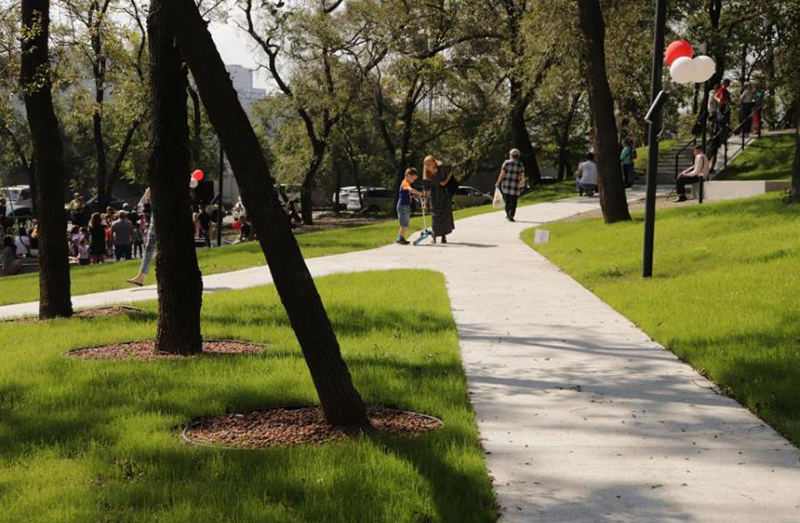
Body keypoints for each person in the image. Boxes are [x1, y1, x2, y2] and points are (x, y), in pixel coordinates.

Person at [422, 155, 455, 243]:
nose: (427, 166)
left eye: (429, 164)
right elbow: (426, 190)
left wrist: (445, 182)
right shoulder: (427, 175)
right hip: (434, 196)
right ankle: (434, 237)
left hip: (444, 194)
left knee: (444, 216)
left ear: (434, 163)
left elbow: (451, 170)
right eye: (426, 164)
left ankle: (443, 237)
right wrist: (425, 203)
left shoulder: (441, 168)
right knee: (435, 216)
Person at [127, 189, 155, 286]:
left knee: (149, 249)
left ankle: (141, 277)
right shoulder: (149, 202)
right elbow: (140, 205)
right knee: (148, 249)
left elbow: (140, 206)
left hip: (156, 224)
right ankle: (141, 277)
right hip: (154, 223)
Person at [495, 148, 526, 222]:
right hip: (515, 186)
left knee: (507, 201)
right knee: (514, 201)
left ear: (511, 155)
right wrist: (522, 183)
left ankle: (508, 214)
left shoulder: (506, 163)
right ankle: (511, 214)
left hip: (506, 185)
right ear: (517, 156)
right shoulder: (520, 164)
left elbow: (502, 174)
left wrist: (498, 182)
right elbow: (522, 176)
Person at [396, 167, 422, 244]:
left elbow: (407, 193)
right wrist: (419, 193)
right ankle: (400, 238)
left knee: (405, 223)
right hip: (403, 206)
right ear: (408, 175)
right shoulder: (405, 183)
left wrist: (412, 197)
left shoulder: (406, 183)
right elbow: (410, 189)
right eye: (413, 179)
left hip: (405, 206)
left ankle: (401, 237)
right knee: (404, 223)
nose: (413, 181)